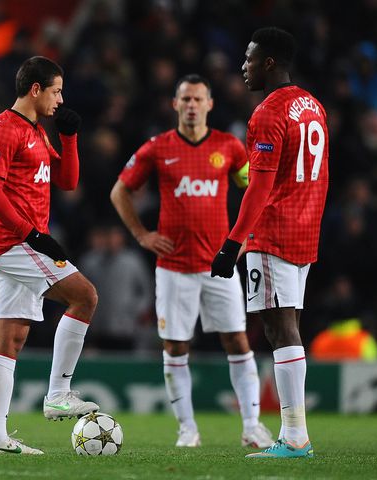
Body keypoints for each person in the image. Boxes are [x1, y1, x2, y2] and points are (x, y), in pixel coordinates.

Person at [111, 74, 274, 449]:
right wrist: (141, 235)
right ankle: (187, 429)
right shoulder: (157, 148)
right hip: (174, 269)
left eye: (198, 99)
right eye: (185, 99)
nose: (191, 105)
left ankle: (252, 425)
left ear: (210, 104)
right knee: (175, 346)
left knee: (236, 340)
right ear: (175, 104)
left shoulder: (230, 147)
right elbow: (119, 191)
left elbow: (256, 191)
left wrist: (248, 236)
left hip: (218, 264)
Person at [211, 27, 329, 459]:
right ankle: (294, 434)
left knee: (280, 329)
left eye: (249, 58)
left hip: (275, 231)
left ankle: (295, 437)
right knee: (288, 325)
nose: (243, 66)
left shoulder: (266, 114)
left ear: (270, 63)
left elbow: (258, 189)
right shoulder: (312, 106)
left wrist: (231, 243)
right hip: (305, 228)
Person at [0, 56, 99, 455]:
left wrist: (69, 139)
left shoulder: (37, 131)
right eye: (56, 90)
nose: (60, 99)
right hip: (14, 242)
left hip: (22, 242)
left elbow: (68, 181)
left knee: (9, 340)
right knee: (85, 296)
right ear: (35, 89)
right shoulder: (3, 129)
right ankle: (59, 394)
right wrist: (30, 233)